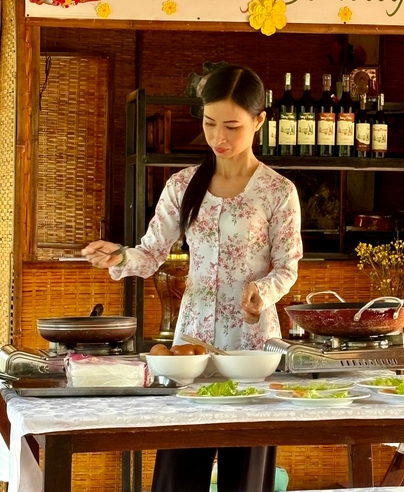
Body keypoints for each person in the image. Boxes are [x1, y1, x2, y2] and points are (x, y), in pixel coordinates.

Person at [82, 64, 303, 492]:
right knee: (178, 474)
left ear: (259, 121)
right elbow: (149, 254)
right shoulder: (183, 185)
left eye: (233, 126)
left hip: (252, 349)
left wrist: (263, 291)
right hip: (190, 348)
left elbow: (287, 266)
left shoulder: (278, 192)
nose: (219, 137)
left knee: (247, 478)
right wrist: (118, 254)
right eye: (209, 123)